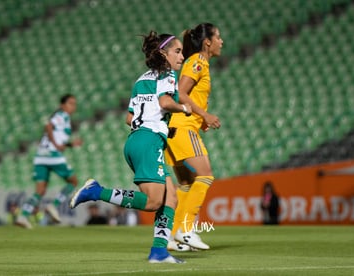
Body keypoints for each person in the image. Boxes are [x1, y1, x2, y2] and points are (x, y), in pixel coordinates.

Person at [69, 31, 192, 264]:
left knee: (170, 197)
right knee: (154, 202)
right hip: (149, 142)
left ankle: (159, 251)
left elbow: (129, 117)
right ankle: (97, 191)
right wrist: (184, 109)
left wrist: (161, 126)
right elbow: (166, 102)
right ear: (163, 53)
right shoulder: (167, 74)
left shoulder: (141, 79)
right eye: (177, 51)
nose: (181, 56)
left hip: (137, 139)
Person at [164, 22, 223, 251]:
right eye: (218, 37)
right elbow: (180, 93)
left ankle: (171, 235)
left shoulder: (197, 62)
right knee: (206, 175)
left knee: (186, 184)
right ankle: (187, 229)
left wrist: (201, 119)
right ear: (207, 41)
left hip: (176, 128)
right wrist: (204, 115)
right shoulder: (198, 61)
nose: (221, 42)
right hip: (183, 127)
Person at [15, 94, 82, 229]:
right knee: (73, 181)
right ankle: (53, 205)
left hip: (41, 156)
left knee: (40, 190)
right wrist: (56, 145)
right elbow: (49, 126)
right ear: (63, 105)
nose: (73, 106)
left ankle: (23, 215)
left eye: (74, 104)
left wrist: (69, 144)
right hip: (53, 155)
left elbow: (56, 136)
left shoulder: (62, 117)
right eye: (70, 103)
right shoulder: (62, 115)